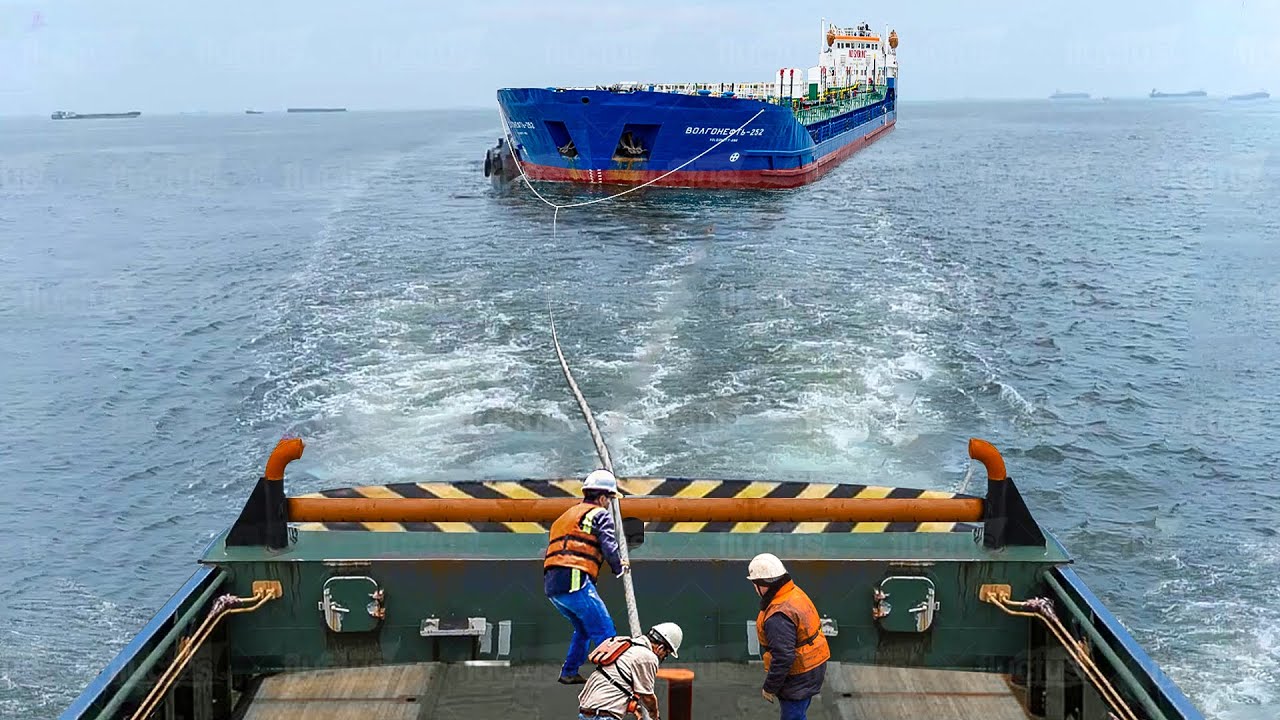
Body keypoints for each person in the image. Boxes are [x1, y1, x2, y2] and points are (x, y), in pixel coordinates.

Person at [545, 469, 628, 684]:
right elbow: (609, 545)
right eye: (609, 499)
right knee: (605, 631)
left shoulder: (566, 516)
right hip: (575, 580)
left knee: (583, 629)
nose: (609, 504)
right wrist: (620, 567)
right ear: (601, 497)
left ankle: (569, 672)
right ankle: (614, 683)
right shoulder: (600, 514)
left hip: (553, 586)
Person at [748, 553, 830, 720]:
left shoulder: (778, 616)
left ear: (763, 585)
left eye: (755, 584)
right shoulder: (792, 593)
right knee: (799, 714)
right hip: (813, 665)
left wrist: (769, 687)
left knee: (793, 716)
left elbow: (783, 657)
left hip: (800, 675)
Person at [577, 623, 683, 720]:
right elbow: (648, 697)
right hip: (603, 716)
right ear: (661, 648)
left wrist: (636, 709)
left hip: (587, 712)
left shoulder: (630, 647)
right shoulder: (647, 657)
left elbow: (617, 684)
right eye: (666, 654)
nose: (663, 657)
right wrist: (655, 716)